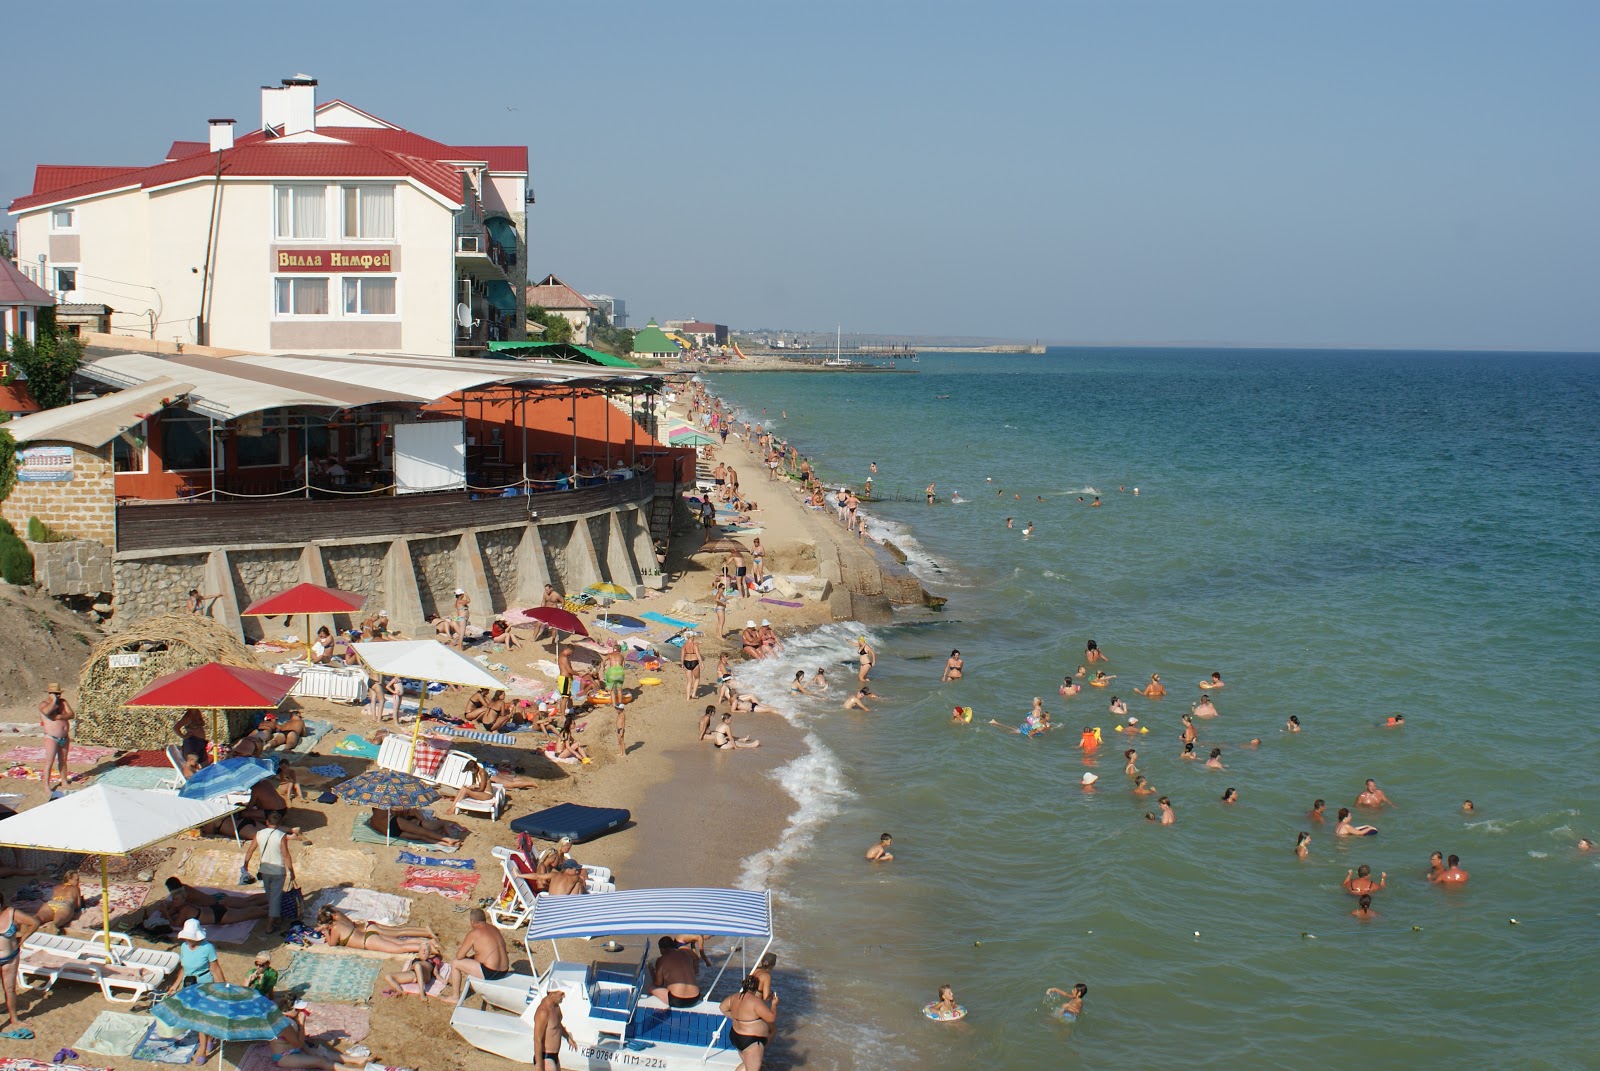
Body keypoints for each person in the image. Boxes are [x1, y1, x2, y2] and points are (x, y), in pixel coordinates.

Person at [267, 1001, 369, 1070]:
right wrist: (302, 1024)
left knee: (323, 1053)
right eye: (297, 1010)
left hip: (295, 1049)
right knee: (321, 1061)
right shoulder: (285, 1025)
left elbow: (299, 1042)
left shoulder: (290, 1020)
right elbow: (298, 1043)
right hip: (284, 1056)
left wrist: (309, 1050)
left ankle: (356, 1060)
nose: (301, 1012)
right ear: (288, 1010)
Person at [240, 810, 296, 933]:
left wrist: (245, 865)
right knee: (276, 897)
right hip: (278, 870)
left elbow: (250, 850)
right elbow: (286, 854)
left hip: (264, 869)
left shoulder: (259, 833)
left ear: (267, 822)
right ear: (279, 823)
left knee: (270, 895)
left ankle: (277, 918)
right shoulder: (281, 835)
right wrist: (291, 870)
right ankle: (269, 925)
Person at [441, 908, 514, 1001]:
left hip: (490, 972)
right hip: (504, 970)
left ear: (472, 922)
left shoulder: (474, 933)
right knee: (472, 958)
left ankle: (455, 997)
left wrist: (467, 958)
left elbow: (459, 956)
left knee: (455, 963)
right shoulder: (494, 928)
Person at [316, 907, 438, 955]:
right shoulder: (339, 919)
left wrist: (326, 932)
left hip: (368, 940)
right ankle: (427, 941)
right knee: (400, 939)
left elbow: (331, 943)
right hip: (368, 933)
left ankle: (428, 946)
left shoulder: (336, 927)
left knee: (400, 947)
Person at [0, 890, 39, 1036]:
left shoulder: (11, 913)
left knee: (9, 989)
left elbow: (34, 923)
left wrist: (22, 939)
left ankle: (14, 1018)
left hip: (10, 957)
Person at [719, 975, 777, 1071]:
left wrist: (735, 1018)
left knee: (747, 1065)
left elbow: (722, 1007)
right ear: (757, 988)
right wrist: (774, 1005)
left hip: (736, 1036)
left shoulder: (734, 997)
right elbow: (771, 1018)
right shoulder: (755, 1001)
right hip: (751, 1041)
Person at [162, 876, 271, 927]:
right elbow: (177, 906)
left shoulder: (183, 898)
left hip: (219, 903)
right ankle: (274, 897)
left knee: (250, 905)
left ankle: (276, 902)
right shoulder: (184, 890)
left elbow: (175, 912)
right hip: (217, 900)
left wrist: (165, 911)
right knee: (249, 902)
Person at [38, 683, 74, 793]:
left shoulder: (63, 703)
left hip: (64, 736)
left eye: (59, 694)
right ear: (50, 694)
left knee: (63, 760)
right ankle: (46, 786)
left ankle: (64, 780)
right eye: (55, 694)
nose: (58, 696)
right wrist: (53, 701)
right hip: (52, 737)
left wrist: (59, 717)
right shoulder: (44, 704)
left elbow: (71, 714)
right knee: (49, 761)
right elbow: (46, 712)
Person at [370, 807, 465, 848]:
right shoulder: (385, 807)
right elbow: (397, 812)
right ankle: (448, 839)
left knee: (421, 837)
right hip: (394, 822)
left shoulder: (372, 821)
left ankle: (447, 844)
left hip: (390, 833)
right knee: (423, 832)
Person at [534, 986, 577, 1071]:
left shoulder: (556, 1007)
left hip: (555, 1055)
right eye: (561, 994)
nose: (564, 996)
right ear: (551, 993)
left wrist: (567, 1037)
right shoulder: (543, 1011)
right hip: (545, 1056)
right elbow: (537, 1039)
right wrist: (539, 1065)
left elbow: (557, 1024)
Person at [651, 936, 701, 1008]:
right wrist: (696, 971)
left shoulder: (661, 959)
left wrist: (652, 971)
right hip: (695, 998)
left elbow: (658, 984)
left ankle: (654, 1007)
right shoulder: (685, 953)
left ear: (661, 949)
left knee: (651, 987)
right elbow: (696, 958)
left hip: (677, 1000)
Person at [682, 631, 704, 700]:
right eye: (694, 636)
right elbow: (697, 654)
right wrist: (701, 663)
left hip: (686, 662)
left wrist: (682, 663)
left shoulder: (684, 645)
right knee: (697, 678)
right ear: (691, 637)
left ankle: (688, 697)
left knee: (689, 681)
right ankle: (694, 694)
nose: (694, 637)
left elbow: (682, 655)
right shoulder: (694, 645)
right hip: (694, 661)